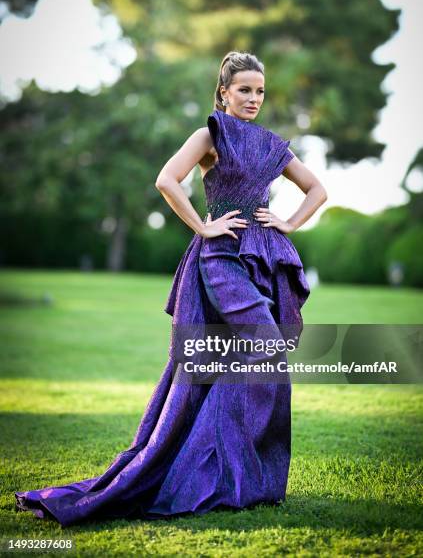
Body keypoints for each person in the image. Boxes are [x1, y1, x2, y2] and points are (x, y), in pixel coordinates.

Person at [14, 51, 327, 527]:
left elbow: (317, 190)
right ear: (224, 92)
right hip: (221, 261)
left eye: (260, 91)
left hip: (261, 260)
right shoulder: (210, 134)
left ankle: (240, 477)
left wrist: (287, 223)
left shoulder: (270, 144)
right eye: (244, 90)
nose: (254, 99)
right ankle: (219, 473)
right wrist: (203, 228)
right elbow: (167, 180)